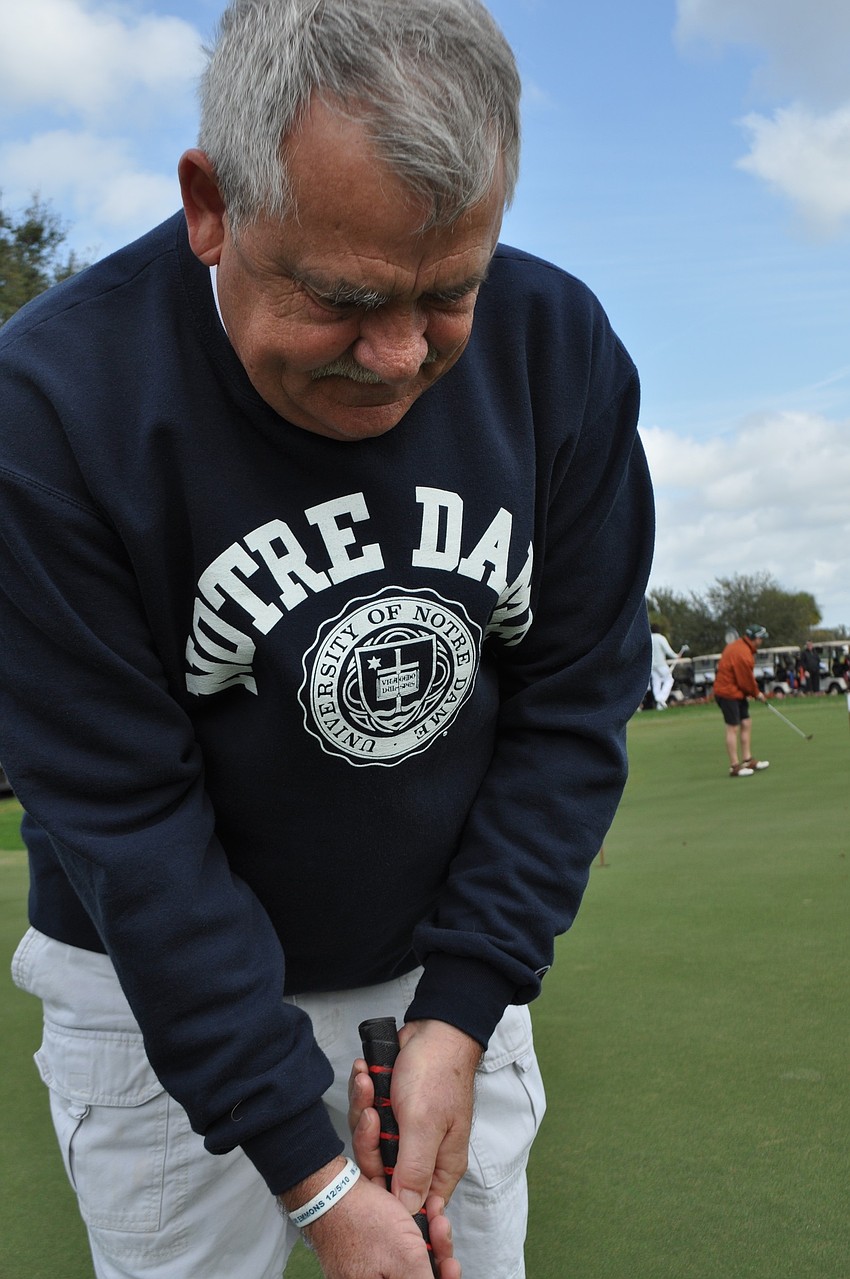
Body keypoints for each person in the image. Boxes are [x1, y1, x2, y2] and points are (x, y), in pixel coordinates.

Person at [0, 2, 654, 1277]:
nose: (402, 355)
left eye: (448, 292)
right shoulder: (46, 412)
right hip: (149, 1000)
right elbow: (126, 822)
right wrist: (307, 1177)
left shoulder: (558, 348)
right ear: (212, 206)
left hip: (443, 972)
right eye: (346, 299)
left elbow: (574, 705)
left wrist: (461, 1008)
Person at [713, 626, 771, 777]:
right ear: (755, 638)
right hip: (727, 693)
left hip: (737, 692)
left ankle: (747, 760)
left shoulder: (742, 647)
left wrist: (753, 692)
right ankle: (734, 766)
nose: (762, 640)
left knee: (746, 722)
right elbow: (746, 680)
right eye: (761, 638)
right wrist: (757, 694)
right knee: (733, 727)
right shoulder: (743, 653)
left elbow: (744, 682)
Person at [649, 624, 681, 709]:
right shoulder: (661, 638)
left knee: (656, 682)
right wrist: (676, 656)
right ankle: (661, 698)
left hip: (651, 665)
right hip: (661, 664)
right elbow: (668, 650)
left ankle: (659, 703)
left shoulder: (649, 638)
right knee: (669, 679)